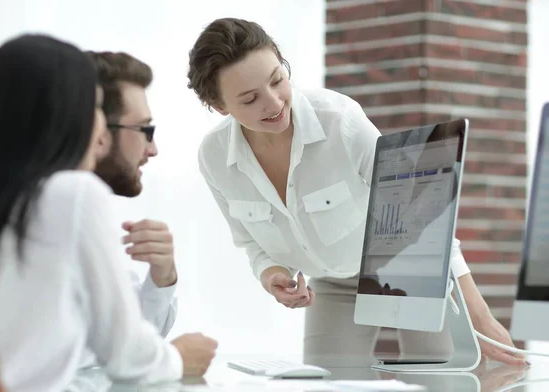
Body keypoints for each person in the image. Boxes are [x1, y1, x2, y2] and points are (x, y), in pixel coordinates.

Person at [187, 17, 525, 366]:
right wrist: (272, 275)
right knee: (328, 382)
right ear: (221, 107)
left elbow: (423, 214)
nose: (273, 103)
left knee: (443, 378)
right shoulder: (215, 158)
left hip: (409, 264)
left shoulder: (340, 120)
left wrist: (480, 316)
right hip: (333, 283)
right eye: (250, 98)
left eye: (277, 80)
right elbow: (251, 244)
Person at [0, 34, 216, 392]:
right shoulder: (71, 195)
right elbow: (127, 356)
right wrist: (180, 356)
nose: (101, 129)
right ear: (64, 115)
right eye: (93, 109)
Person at [86, 50, 177, 339]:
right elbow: (119, 351)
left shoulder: (87, 210)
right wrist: (174, 359)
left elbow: (125, 330)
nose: (153, 149)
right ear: (98, 130)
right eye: (144, 129)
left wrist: (163, 275)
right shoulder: (64, 205)